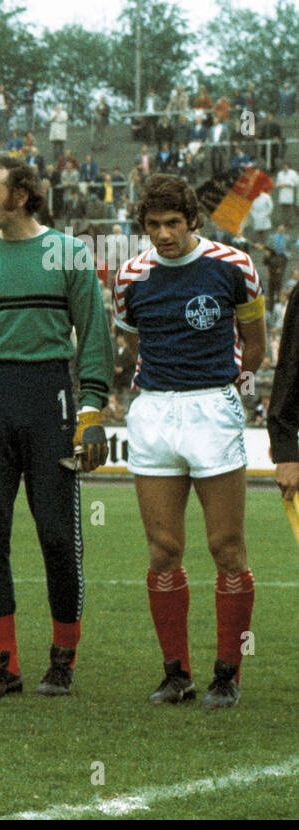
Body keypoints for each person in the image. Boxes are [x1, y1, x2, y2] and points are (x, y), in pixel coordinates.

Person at [0, 157, 114, 699]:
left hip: (49, 398)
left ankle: (62, 658)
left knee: (58, 537)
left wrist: (93, 409)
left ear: (22, 196)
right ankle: (2, 665)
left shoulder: (69, 252)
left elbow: (94, 335)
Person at [114, 174, 265, 709]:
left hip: (212, 407)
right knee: (163, 551)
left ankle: (228, 673)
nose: (164, 235)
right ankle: (176, 673)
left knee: (226, 548)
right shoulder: (131, 276)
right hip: (153, 411)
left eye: (173, 223)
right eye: (153, 226)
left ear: (192, 220)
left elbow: (256, 345)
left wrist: (220, 388)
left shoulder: (233, 265)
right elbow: (130, 348)